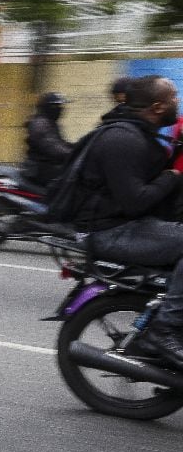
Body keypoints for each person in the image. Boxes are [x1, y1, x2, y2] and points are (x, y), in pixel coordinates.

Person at [62, 75, 183, 366]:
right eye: (174, 97)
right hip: (107, 231)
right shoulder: (122, 139)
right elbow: (135, 200)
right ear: (157, 106)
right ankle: (163, 329)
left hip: (124, 223)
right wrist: (172, 176)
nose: (177, 103)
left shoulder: (142, 133)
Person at [22, 92, 73, 188]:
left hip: (46, 166)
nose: (61, 109)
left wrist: (79, 146)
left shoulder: (49, 123)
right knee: (71, 182)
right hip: (39, 169)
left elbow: (60, 143)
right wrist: (72, 153)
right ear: (50, 107)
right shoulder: (40, 124)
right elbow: (52, 147)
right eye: (58, 106)